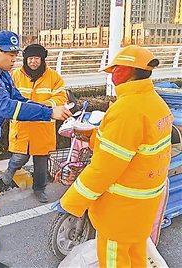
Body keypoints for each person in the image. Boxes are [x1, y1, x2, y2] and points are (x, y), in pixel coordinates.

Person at [0, 30, 72, 268]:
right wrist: (49, 113)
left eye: (15, 54)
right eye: (9, 54)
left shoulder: (2, 75)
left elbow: (18, 99)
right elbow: (9, 108)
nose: (14, 59)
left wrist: (50, 108)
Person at [57, 45, 173, 267]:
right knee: (137, 254)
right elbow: (131, 146)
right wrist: (94, 135)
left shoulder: (127, 110)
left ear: (127, 71)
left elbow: (105, 168)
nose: (112, 74)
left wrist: (72, 201)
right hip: (144, 205)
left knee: (114, 259)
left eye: (115, 69)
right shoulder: (156, 104)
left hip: (120, 210)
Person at [2, 44, 67, 203]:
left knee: (41, 165)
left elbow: (61, 98)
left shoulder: (54, 77)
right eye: (30, 58)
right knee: (19, 158)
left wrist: (42, 107)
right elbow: (6, 96)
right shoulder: (15, 75)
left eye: (36, 58)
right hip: (22, 127)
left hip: (42, 128)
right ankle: (10, 169)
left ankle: (39, 189)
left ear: (42, 59)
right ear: (25, 59)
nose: (33, 62)